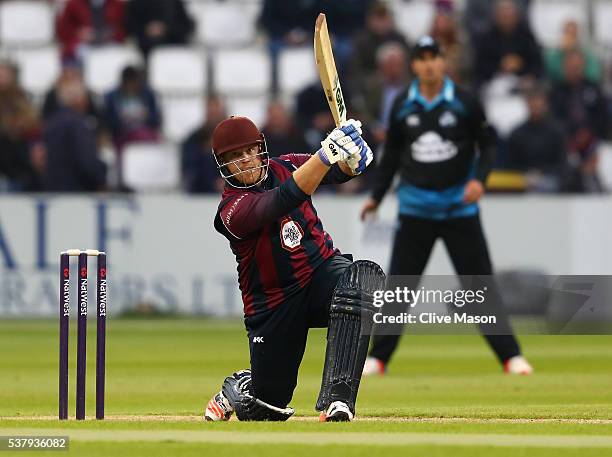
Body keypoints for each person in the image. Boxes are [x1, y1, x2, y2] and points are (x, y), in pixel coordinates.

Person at [360, 36, 533, 376]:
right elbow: (392, 155)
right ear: (414, 65)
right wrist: (376, 197)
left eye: (433, 57)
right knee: (399, 289)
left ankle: (510, 356)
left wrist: (479, 181)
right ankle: (378, 359)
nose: (428, 64)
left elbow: (488, 145)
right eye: (421, 58)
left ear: (443, 62)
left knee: (479, 287)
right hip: (415, 210)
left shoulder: (465, 102)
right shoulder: (402, 105)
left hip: (458, 209)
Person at [203, 115, 383, 422]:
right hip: (274, 304)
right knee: (267, 408)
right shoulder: (231, 210)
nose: (246, 162)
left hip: (320, 274)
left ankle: (339, 401)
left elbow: (337, 173)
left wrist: (352, 159)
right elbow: (283, 198)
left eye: (249, 152)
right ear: (224, 165)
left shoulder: (285, 165)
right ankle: (242, 385)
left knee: (361, 280)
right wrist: (326, 154)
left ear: (261, 148)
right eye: (235, 158)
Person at [507, 86, 567, 192]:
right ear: (527, 105)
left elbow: (562, 163)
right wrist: (528, 174)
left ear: (546, 105)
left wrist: (541, 173)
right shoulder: (517, 133)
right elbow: (510, 165)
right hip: (522, 179)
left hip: (550, 179)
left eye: (539, 103)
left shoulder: (556, 132)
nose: (536, 106)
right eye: (532, 103)